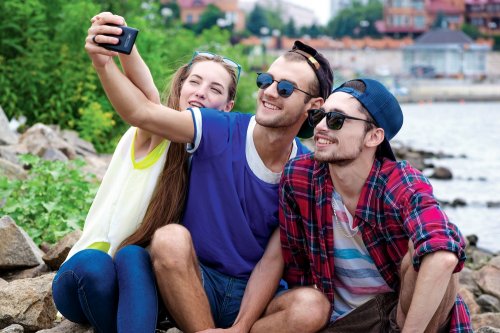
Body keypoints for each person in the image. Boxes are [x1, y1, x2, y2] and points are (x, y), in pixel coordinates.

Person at [87, 14, 335, 332]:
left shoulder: (305, 170)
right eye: (265, 80)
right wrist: (103, 63)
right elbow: (142, 111)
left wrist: (241, 326)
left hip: (254, 295)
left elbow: (273, 260)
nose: (270, 92)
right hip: (193, 282)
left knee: (313, 307)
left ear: (313, 107)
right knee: (169, 239)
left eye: (285, 88)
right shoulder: (219, 128)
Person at [52, 13, 239, 333]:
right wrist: (116, 52)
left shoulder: (214, 155)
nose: (201, 92)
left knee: (135, 258)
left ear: (227, 106)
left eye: (214, 88)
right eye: (194, 82)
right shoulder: (156, 131)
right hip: (87, 275)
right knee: (99, 266)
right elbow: (148, 95)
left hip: (137, 285)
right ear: (180, 87)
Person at [256, 78, 472, 333]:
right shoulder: (300, 177)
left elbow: (444, 255)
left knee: (431, 250)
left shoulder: (400, 183)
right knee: (306, 305)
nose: (322, 127)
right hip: (338, 320)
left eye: (336, 119)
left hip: (401, 318)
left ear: (373, 136)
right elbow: (295, 266)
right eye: (319, 116)